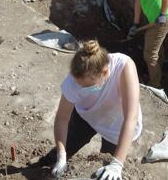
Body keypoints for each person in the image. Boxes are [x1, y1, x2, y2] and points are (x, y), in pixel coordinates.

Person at [49, 40, 142, 180]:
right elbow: (62, 118)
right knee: (67, 146)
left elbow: (131, 118)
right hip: (87, 114)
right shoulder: (75, 79)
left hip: (116, 125)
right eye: (79, 85)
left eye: (87, 86)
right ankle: (43, 168)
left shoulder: (123, 66)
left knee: (105, 164)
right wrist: (61, 154)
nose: (81, 89)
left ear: (104, 73)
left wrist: (117, 164)